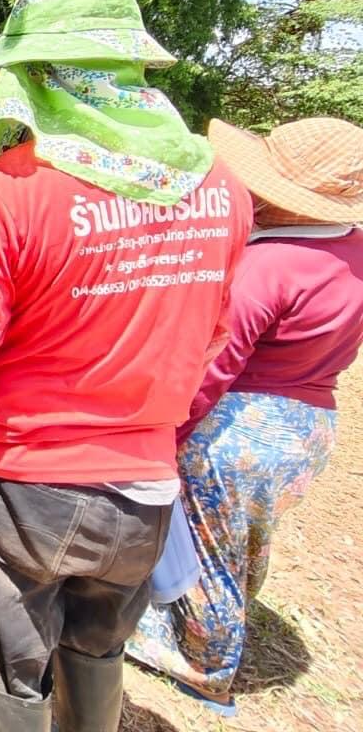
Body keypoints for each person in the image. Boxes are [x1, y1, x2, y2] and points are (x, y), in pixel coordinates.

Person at [0, 0, 252, 732]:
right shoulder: (222, 191)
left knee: (12, 665)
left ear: (42, 75)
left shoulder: (13, 189)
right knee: (97, 647)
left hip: (22, 492)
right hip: (145, 496)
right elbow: (215, 342)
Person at [129, 117, 363, 716]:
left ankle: (205, 666)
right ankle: (220, 629)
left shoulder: (272, 264)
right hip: (308, 425)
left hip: (242, 430)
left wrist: (163, 432)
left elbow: (214, 365)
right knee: (243, 544)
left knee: (208, 551)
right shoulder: (351, 253)